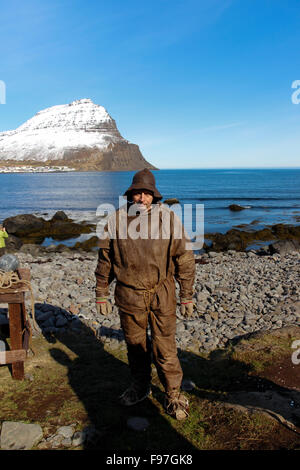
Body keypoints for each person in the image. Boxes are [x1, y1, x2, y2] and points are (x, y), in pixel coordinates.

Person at [95, 169, 195, 420]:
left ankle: (173, 394)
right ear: (130, 194)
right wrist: (101, 293)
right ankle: (140, 386)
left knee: (165, 348)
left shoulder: (169, 219)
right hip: (129, 296)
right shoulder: (115, 220)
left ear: (154, 195)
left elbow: (184, 257)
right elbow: (105, 260)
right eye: (137, 193)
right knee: (136, 346)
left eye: (147, 193)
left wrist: (187, 295)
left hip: (162, 294)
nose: (142, 198)